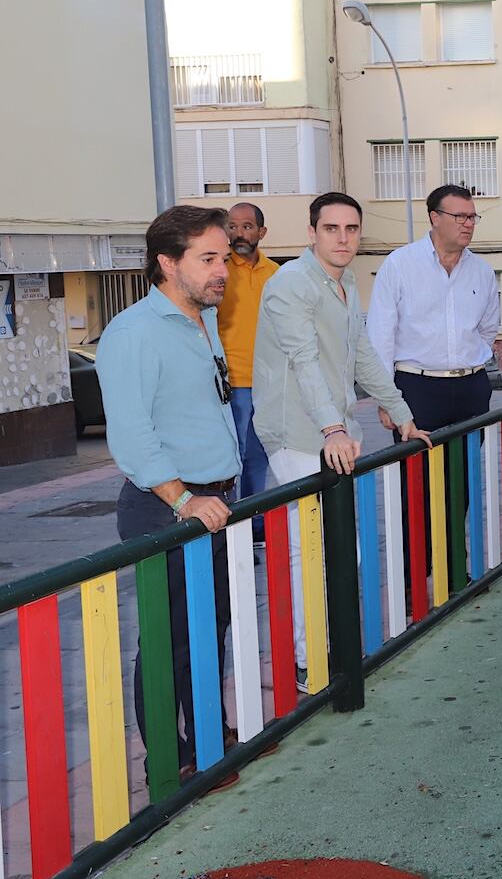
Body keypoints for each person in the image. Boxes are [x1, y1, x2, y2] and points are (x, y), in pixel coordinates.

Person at [253, 192, 430, 691]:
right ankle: (308, 663)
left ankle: (331, 649)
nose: (343, 238)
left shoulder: (346, 282)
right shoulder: (290, 285)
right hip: (298, 435)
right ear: (312, 232)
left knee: (338, 551)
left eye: (351, 228)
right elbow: (304, 360)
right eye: (332, 228)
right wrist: (332, 428)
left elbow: (364, 356)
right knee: (308, 552)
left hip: (335, 437)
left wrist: (402, 416)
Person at [97, 205, 240, 781]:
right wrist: (183, 500)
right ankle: (170, 755)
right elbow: (133, 436)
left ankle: (209, 731)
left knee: (213, 626)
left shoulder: (201, 320)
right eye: (207, 260)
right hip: (168, 508)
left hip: (215, 503)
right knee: (167, 638)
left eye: (223, 259)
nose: (221, 271)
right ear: (167, 263)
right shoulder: (134, 332)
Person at [367, 184, 501, 434]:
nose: (468, 224)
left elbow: (488, 329)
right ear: (435, 218)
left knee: (466, 469)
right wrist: (387, 399)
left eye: (472, 217)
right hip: (417, 388)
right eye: (460, 216)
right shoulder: (399, 265)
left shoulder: (482, 272)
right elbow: (381, 336)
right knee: (417, 471)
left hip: (471, 388)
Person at [216, 203, 277, 538]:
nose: (239, 233)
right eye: (233, 227)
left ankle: (254, 527)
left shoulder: (276, 273)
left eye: (247, 226)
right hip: (232, 384)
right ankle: (230, 529)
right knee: (232, 459)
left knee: (258, 458)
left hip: (268, 384)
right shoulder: (220, 270)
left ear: (261, 233)